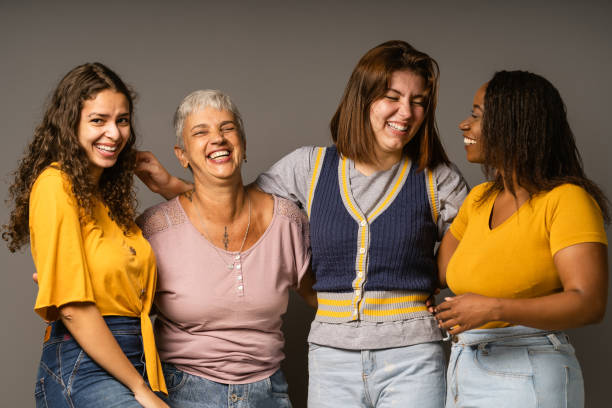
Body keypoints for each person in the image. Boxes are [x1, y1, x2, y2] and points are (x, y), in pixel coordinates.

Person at [136, 40, 468, 407]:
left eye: (418, 101)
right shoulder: (308, 168)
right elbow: (233, 202)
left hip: (413, 357)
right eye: (392, 97)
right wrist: (173, 186)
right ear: (363, 99)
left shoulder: (438, 180)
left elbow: (481, 255)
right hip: (333, 359)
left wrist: (464, 299)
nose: (405, 112)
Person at [435, 71, 609, 408]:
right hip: (464, 367)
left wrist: (493, 307)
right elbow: (440, 273)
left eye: (476, 115)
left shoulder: (567, 200)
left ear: (513, 125)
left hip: (528, 370)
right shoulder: (480, 198)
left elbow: (590, 303)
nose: (463, 125)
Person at [136, 89, 316, 408]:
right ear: (182, 155)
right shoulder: (156, 229)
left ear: (243, 146)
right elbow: (124, 317)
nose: (217, 138)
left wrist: (400, 305)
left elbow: (326, 301)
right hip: (182, 393)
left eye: (227, 128)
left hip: (269, 393)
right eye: (200, 132)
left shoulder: (287, 222)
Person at [2, 63, 168, 407]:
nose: (114, 133)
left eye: (122, 120)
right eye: (98, 120)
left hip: (133, 355)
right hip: (85, 363)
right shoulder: (55, 185)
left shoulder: (107, 200)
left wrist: (170, 186)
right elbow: (75, 308)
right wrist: (139, 389)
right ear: (69, 123)